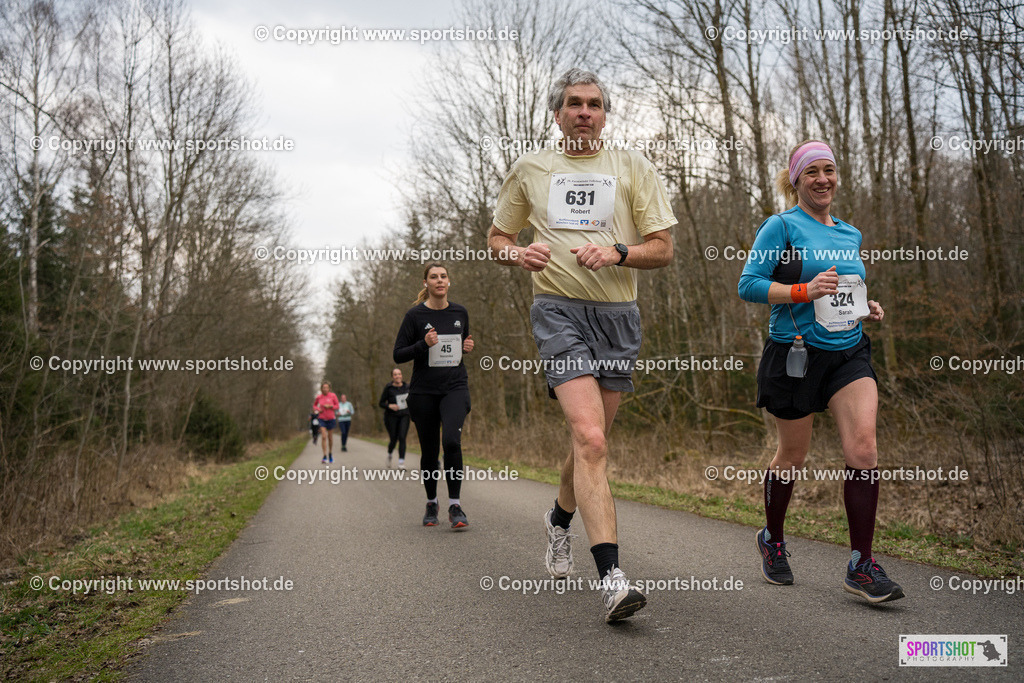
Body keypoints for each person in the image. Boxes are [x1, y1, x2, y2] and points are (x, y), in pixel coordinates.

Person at [487, 68, 675, 622]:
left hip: (618, 316)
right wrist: (516, 255)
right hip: (557, 311)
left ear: (605, 113)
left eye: (594, 104)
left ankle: (558, 521)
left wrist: (619, 252)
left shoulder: (632, 168)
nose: (584, 112)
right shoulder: (532, 169)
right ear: (557, 113)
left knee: (587, 444)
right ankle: (614, 579)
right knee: (591, 437)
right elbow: (498, 237)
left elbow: (663, 249)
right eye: (574, 104)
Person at [737, 139, 904, 603]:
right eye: (811, 172)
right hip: (795, 355)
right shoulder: (781, 227)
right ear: (796, 180)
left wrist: (862, 306)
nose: (822, 179)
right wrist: (802, 291)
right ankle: (772, 539)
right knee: (792, 457)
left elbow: (845, 288)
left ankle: (862, 565)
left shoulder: (851, 233)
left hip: (848, 353)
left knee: (864, 450)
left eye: (828, 170)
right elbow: (748, 285)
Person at [393, 263, 474, 530]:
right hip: (423, 390)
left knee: (451, 441)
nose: (439, 280)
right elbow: (398, 354)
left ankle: (454, 505)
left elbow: (461, 343)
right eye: (433, 277)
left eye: (443, 276)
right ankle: (431, 502)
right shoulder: (414, 315)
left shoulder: (460, 312)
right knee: (429, 451)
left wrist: (466, 346)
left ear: (449, 282)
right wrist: (423, 345)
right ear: (425, 283)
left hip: (454, 387)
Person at [379, 368, 411, 468]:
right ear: (392, 377)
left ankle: (401, 462)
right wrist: (389, 406)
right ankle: (389, 454)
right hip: (391, 417)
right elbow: (381, 403)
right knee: (393, 438)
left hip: (404, 415)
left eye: (399, 374)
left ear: (401, 375)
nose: (398, 376)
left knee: (402, 437)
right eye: (395, 374)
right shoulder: (388, 388)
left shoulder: (407, 387)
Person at [312, 381, 340, 464]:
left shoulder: (333, 396)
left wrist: (331, 406)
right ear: (321, 389)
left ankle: (330, 453)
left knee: (330, 437)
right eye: (324, 388)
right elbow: (314, 406)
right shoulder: (319, 397)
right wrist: (318, 409)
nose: (325, 389)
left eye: (327, 387)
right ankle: (324, 455)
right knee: (324, 436)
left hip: (331, 418)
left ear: (329, 388)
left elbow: (337, 406)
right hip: (322, 419)